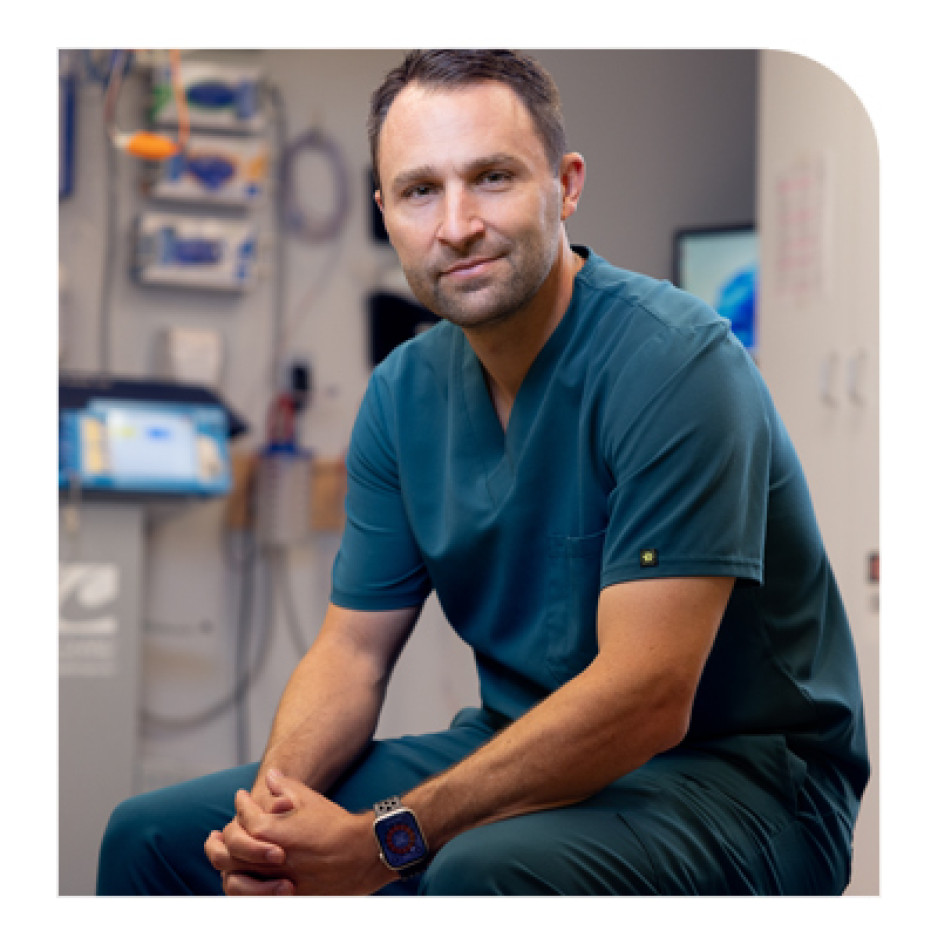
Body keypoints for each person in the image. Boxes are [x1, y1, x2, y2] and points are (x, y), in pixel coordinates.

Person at [96, 49, 869, 896]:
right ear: (386, 212)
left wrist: (384, 841)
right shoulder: (403, 394)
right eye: (420, 191)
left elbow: (648, 695)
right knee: (151, 838)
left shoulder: (676, 363)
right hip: (522, 739)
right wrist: (272, 823)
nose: (456, 225)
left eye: (492, 178)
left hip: (744, 782)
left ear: (565, 187)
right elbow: (352, 652)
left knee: (473, 871)